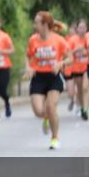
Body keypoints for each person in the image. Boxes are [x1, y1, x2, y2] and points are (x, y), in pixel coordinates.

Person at [23, 11, 72, 150]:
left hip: (53, 77)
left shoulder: (59, 40)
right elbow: (28, 56)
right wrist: (28, 67)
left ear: (44, 24)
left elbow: (70, 58)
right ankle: (47, 117)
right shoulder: (33, 39)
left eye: (36, 22)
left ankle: (55, 138)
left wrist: (60, 64)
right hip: (38, 77)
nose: (34, 25)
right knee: (38, 111)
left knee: (51, 107)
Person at [64, 19, 89, 121]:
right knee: (74, 91)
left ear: (86, 28)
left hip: (87, 67)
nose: (82, 30)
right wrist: (76, 50)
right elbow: (66, 53)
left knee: (84, 88)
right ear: (77, 29)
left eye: (84, 28)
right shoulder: (72, 40)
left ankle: (83, 108)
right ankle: (76, 103)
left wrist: (85, 51)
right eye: (80, 28)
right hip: (73, 68)